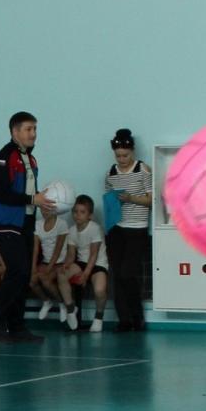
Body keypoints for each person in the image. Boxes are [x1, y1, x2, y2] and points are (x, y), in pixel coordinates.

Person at [0, 111, 54, 343]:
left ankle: (17, 326)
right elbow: (2, 193)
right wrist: (33, 200)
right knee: (18, 271)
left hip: (25, 222)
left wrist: (40, 205)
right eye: (28, 129)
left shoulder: (30, 159)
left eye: (35, 129)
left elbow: (29, 195)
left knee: (24, 275)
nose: (33, 134)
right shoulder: (4, 158)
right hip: (6, 222)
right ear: (15, 132)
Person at [103, 127, 153, 332]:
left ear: (132, 152)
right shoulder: (111, 173)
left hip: (137, 228)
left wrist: (131, 198)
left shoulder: (143, 170)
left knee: (128, 274)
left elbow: (151, 200)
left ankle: (137, 317)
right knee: (117, 274)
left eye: (125, 155)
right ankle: (123, 319)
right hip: (117, 229)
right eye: (118, 156)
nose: (122, 159)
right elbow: (108, 200)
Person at [62, 194, 110, 333]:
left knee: (100, 290)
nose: (78, 215)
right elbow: (72, 254)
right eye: (75, 211)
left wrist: (86, 274)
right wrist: (67, 263)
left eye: (82, 212)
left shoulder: (95, 228)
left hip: (98, 264)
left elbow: (94, 254)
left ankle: (98, 317)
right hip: (82, 262)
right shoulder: (71, 231)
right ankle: (71, 309)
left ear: (90, 215)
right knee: (61, 274)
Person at [29, 199, 74, 327]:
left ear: (54, 209)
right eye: (42, 209)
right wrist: (33, 268)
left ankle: (62, 304)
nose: (44, 212)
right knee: (31, 280)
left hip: (59, 263)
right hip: (45, 262)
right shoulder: (37, 224)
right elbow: (36, 249)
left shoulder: (62, 224)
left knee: (45, 280)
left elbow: (58, 249)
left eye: (48, 209)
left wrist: (49, 268)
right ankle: (46, 301)